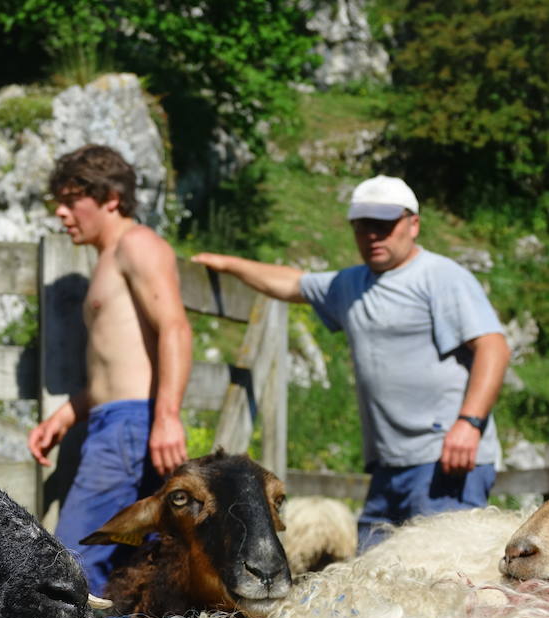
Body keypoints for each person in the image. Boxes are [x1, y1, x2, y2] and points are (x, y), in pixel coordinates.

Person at [192, 175, 511, 550]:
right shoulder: (351, 284)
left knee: (447, 569)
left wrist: (469, 424)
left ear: (413, 224)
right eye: (363, 225)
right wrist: (226, 263)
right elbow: (292, 284)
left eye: (384, 225)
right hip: (389, 466)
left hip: (444, 460)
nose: (373, 235)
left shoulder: (441, 277)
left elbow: (493, 346)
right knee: (374, 568)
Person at [28, 144, 193, 594]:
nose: (61, 212)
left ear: (111, 198)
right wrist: (66, 416)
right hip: (116, 423)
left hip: (130, 425)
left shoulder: (137, 244)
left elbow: (175, 328)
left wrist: (167, 416)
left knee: (71, 561)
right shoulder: (108, 258)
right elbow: (117, 365)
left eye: (71, 200)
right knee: (131, 562)